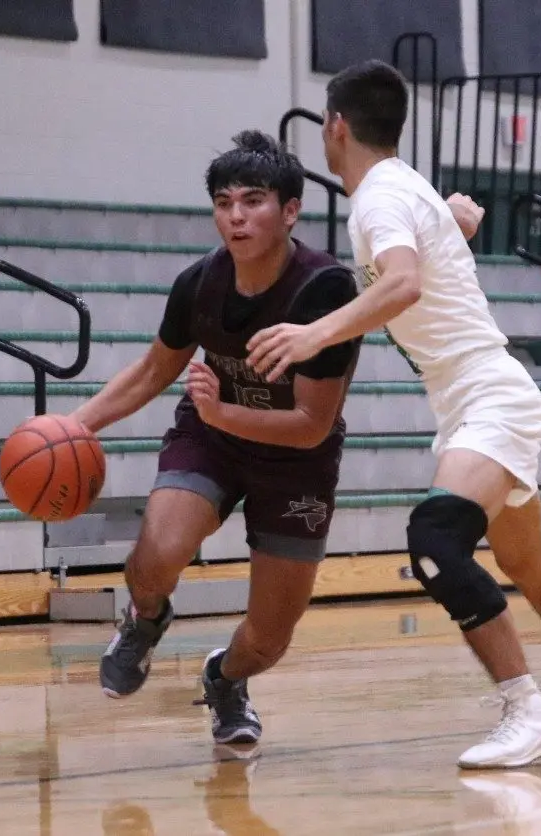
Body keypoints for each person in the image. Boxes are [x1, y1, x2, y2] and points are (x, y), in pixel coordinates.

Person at [245, 60, 541, 769]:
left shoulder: (379, 199)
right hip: (479, 396)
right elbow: (418, 265)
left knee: (436, 539)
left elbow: (402, 283)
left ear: (335, 126)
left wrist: (312, 334)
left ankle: (525, 708)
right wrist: (449, 224)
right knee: (524, 558)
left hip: (489, 396)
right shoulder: (404, 188)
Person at [70, 130, 360, 745]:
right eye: (224, 203)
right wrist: (75, 426)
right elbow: (153, 370)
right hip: (213, 438)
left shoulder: (325, 290)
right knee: (156, 555)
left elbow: (311, 423)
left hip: (296, 459)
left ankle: (225, 680)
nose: (236, 216)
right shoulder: (199, 282)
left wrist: (223, 411)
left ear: (290, 211)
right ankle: (146, 619)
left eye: (253, 201)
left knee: (269, 639)